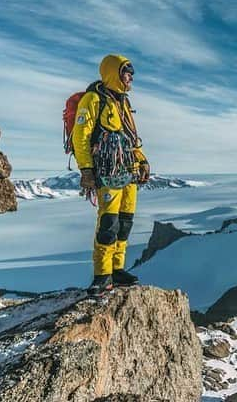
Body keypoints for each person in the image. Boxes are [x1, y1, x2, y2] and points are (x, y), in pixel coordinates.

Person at [72, 54, 150, 294]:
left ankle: (117, 269)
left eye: (131, 75)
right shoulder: (93, 99)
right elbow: (81, 136)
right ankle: (102, 274)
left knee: (124, 223)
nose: (130, 79)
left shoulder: (122, 102)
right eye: (127, 73)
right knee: (108, 223)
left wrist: (142, 160)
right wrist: (86, 169)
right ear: (113, 72)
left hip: (127, 172)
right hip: (108, 172)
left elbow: (130, 137)